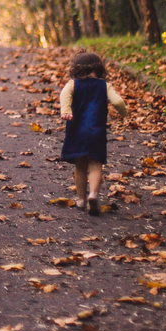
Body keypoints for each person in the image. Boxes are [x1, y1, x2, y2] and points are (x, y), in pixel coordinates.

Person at [59, 52, 128, 216]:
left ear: (76, 70)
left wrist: (66, 110)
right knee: (96, 165)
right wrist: (124, 113)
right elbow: (117, 101)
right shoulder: (104, 86)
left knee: (80, 166)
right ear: (99, 69)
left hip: (77, 130)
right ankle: (93, 195)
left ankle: (81, 200)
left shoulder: (73, 84)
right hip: (96, 131)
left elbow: (64, 95)